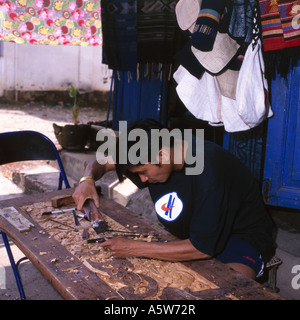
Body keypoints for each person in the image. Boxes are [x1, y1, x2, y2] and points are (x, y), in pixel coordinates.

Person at [73, 119, 274, 280]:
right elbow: (101, 162)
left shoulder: (210, 168)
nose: (142, 180)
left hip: (239, 238)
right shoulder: (150, 153)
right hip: (188, 235)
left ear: (162, 155)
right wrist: (87, 179)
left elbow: (202, 248)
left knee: (226, 290)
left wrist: (133, 247)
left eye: (143, 172)